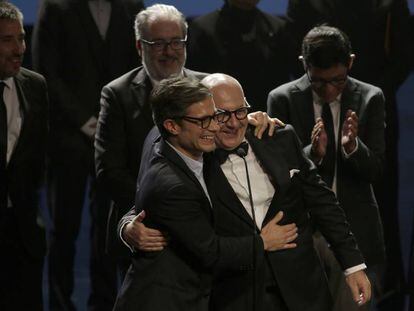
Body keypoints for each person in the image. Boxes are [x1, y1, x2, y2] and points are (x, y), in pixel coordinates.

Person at [120, 73, 371, 311]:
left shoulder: (278, 137)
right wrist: (128, 225)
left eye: (240, 111)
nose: (232, 123)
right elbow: (161, 196)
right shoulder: (192, 156)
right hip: (233, 294)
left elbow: (322, 201)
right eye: (221, 115)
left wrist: (353, 265)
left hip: (302, 290)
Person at [94, 3, 275, 263]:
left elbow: (232, 132)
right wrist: (146, 214)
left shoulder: (210, 85)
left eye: (176, 42)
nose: (169, 51)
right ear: (139, 46)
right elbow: (109, 172)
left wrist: (256, 120)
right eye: (158, 44)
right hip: (146, 230)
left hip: (209, 226)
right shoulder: (116, 94)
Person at [113, 76, 296, 311]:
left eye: (215, 116)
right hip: (166, 301)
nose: (215, 126)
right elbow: (211, 252)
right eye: (205, 120)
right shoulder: (172, 184)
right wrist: (263, 242)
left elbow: (152, 201)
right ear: (172, 126)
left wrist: (242, 119)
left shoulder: (176, 142)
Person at [286, 2, 411, 305]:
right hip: (310, 108)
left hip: (370, 112)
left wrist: (362, 96)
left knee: (377, 204)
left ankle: (384, 291)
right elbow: (291, 46)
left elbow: (404, 54)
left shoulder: (389, 3)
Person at [31, 0, 143, 310]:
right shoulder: (55, 7)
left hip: (115, 140)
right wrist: (86, 122)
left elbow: (138, 66)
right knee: (63, 229)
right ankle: (58, 302)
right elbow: (46, 72)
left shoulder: (131, 6)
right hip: (68, 139)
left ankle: (103, 302)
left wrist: (111, 125)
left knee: (108, 231)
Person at [267, 26, 385, 310]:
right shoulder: (282, 99)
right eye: (319, 82)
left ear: (351, 63)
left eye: (338, 81)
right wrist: (312, 156)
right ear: (304, 65)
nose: (330, 90)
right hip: (302, 230)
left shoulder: (371, 98)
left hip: (354, 230)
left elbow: (377, 172)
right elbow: (275, 172)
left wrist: (352, 148)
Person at [0, 2, 48, 310]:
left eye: (21, 38)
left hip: (23, 236)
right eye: (7, 40)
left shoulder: (35, 85)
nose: (19, 48)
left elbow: (36, 157)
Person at [186, 0, 293, 112]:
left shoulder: (278, 28)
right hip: (219, 115)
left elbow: (283, 77)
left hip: (268, 114)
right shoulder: (201, 29)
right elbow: (195, 80)